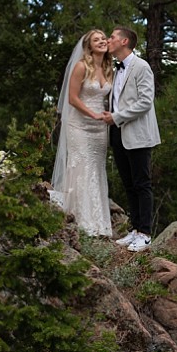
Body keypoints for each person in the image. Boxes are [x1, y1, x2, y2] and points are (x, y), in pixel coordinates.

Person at [50, 28, 113, 238]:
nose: (102, 41)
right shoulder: (80, 67)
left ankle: (100, 222)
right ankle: (80, 219)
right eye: (97, 39)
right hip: (79, 124)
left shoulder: (108, 68)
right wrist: (93, 115)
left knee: (96, 168)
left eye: (104, 38)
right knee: (82, 166)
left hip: (100, 128)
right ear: (89, 46)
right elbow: (72, 99)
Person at [104, 25, 160, 252]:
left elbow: (146, 102)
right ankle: (135, 229)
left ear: (124, 41)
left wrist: (117, 117)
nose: (109, 40)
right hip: (117, 132)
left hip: (137, 133)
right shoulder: (115, 69)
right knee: (128, 184)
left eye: (112, 37)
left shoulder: (141, 66)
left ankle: (145, 234)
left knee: (141, 183)